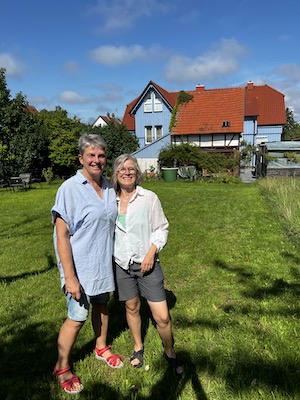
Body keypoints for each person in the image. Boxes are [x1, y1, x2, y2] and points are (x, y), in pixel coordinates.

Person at [51, 134, 123, 395]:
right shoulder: (69, 188)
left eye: (101, 155)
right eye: (91, 155)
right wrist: (69, 277)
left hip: (102, 262)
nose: (96, 160)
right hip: (78, 266)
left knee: (102, 305)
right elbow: (61, 234)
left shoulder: (107, 186)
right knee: (77, 316)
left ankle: (101, 347)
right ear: (81, 158)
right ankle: (62, 367)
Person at [111, 154, 183, 374]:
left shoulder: (149, 197)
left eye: (131, 168)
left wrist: (152, 251)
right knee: (132, 307)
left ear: (137, 172)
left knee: (161, 316)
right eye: (122, 169)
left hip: (147, 263)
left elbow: (162, 228)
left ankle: (169, 351)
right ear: (115, 173)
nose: (127, 172)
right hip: (122, 263)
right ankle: (138, 346)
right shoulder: (108, 200)